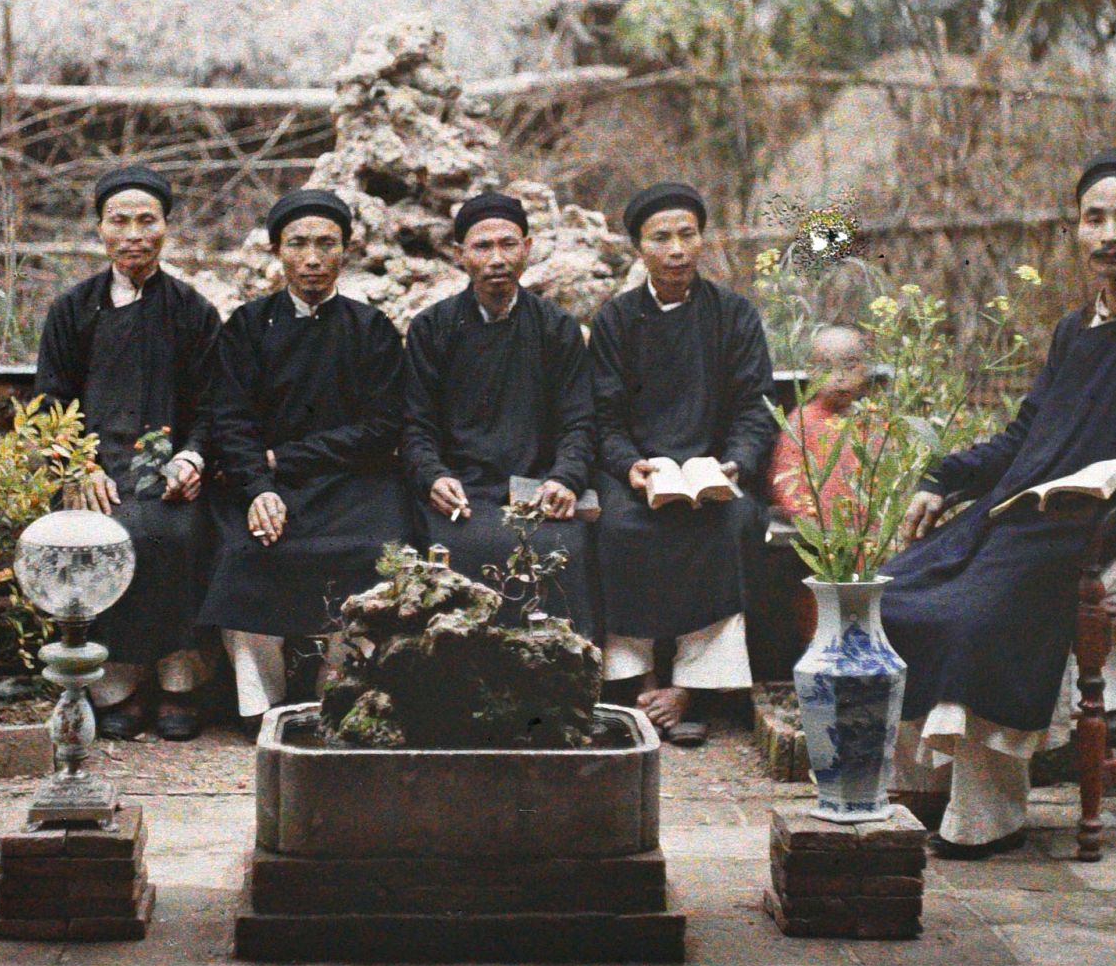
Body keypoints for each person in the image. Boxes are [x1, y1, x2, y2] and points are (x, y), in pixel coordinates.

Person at [880, 150, 1116, 858]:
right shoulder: (1075, 330)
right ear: (1076, 231)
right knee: (893, 596)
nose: (1110, 234)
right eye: (1093, 218)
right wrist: (941, 475)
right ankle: (921, 787)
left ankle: (990, 813)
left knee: (974, 617)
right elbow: (1024, 436)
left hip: (1113, 528)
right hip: (1022, 514)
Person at [201, 188, 413, 732]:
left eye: (326, 243)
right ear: (277, 250)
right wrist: (256, 488)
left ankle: (336, 688)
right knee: (244, 554)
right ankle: (260, 703)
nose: (312, 257)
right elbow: (230, 420)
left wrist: (290, 454)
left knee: (374, 553)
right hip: (265, 485)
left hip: (353, 483)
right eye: (298, 243)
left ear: (346, 250)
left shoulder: (371, 329)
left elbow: (382, 427)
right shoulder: (248, 326)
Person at [34, 165, 223, 741]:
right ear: (100, 229)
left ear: (167, 229)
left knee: (179, 532)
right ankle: (114, 685)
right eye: (120, 221)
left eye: (148, 220)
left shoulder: (193, 311)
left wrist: (191, 458)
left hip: (169, 472)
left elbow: (215, 406)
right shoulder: (73, 309)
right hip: (96, 470)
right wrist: (78, 467)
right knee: (100, 534)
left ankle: (177, 684)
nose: (134, 234)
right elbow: (49, 402)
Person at [590, 182, 776, 745]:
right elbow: (603, 414)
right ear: (639, 248)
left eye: (687, 235)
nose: (676, 250)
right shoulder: (615, 320)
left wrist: (736, 464)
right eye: (661, 237)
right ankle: (642, 681)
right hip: (639, 473)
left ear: (702, 240)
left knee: (730, 524)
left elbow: (755, 407)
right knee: (620, 527)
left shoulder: (734, 316)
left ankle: (689, 689)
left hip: (714, 470)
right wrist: (629, 465)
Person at [400, 191, 599, 633]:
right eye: (482, 247)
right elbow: (416, 425)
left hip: (534, 491)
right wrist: (433, 476)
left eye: (508, 244)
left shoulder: (557, 328)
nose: (497, 259)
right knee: (453, 548)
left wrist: (565, 478)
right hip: (460, 493)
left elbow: (579, 421)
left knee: (562, 548)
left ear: (527, 248)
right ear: (460, 255)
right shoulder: (433, 328)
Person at [768, 324, 872, 526]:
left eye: (850, 366)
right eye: (826, 368)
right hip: (820, 536)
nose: (839, 377)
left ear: (865, 368)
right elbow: (786, 483)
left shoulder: (875, 420)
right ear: (811, 371)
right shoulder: (801, 422)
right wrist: (810, 522)